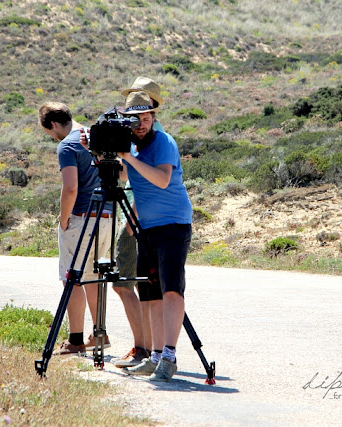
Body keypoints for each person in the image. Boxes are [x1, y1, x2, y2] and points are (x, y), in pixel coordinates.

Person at [117, 91, 193, 382]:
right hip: (146, 227)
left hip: (173, 224)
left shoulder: (163, 141)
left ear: (153, 118)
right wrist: (102, 154)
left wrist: (128, 158)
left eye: (147, 118)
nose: (142, 124)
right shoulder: (132, 146)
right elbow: (128, 177)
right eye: (136, 120)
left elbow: (161, 179)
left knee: (171, 288)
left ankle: (169, 356)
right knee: (148, 292)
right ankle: (156, 355)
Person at [38, 101, 114, 356]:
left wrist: (63, 218)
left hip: (82, 217)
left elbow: (70, 187)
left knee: (72, 278)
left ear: (54, 124)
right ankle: (99, 334)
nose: (53, 137)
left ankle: (75, 339)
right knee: (95, 277)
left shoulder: (68, 145)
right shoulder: (96, 136)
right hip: (108, 214)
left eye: (50, 132)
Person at [109, 77, 166, 368]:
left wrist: (132, 221)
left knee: (126, 284)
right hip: (132, 218)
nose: (137, 119)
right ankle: (145, 349)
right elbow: (127, 177)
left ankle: (143, 348)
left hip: (136, 221)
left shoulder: (155, 142)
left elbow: (154, 185)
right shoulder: (137, 141)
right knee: (129, 285)